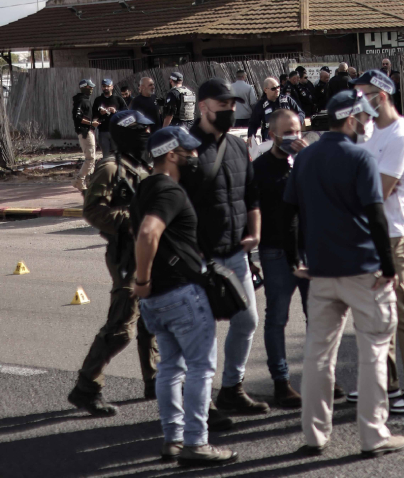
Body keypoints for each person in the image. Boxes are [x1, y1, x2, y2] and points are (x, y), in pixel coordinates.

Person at [285, 90, 404, 458]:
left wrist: (296, 259)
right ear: (351, 119)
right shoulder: (360, 157)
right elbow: (375, 215)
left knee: (318, 355)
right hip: (364, 269)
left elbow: (288, 212)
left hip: (321, 270)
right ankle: (373, 435)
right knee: (373, 350)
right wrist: (389, 267)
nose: (368, 123)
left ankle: (314, 435)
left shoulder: (305, 156)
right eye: (365, 118)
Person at [133, 126, 237, 466]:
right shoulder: (168, 190)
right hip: (179, 293)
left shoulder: (143, 188)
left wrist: (146, 285)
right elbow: (149, 233)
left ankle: (173, 439)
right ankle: (196, 443)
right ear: (172, 154)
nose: (195, 157)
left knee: (169, 369)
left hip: (157, 300)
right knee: (200, 369)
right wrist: (143, 279)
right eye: (189, 152)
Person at [180, 79, 269, 423]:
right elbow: (171, 203)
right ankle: (200, 403)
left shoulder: (236, 145)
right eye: (223, 106)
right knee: (202, 334)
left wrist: (255, 232)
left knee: (246, 320)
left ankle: (232, 389)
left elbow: (251, 194)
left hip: (236, 254)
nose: (231, 111)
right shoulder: (184, 148)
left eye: (233, 105)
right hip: (199, 258)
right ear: (203, 107)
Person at [352, 70, 404, 414]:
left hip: (395, 234)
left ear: (381, 96)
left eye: (364, 94)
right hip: (370, 231)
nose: (359, 101)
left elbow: (379, 190)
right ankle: (383, 383)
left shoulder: (401, 135)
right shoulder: (369, 132)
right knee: (375, 311)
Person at [69, 109, 159, 417]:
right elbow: (93, 212)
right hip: (126, 255)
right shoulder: (110, 168)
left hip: (150, 252)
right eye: (142, 133)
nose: (148, 137)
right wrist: (135, 220)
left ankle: (155, 379)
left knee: (152, 320)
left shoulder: (145, 167)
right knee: (122, 325)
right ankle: (86, 387)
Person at [251, 109, 310, 409]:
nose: (293, 137)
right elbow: (251, 210)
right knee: (277, 318)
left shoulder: (306, 162)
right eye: (287, 132)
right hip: (275, 251)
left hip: (310, 250)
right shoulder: (260, 167)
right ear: (272, 135)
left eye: (297, 130)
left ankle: (319, 376)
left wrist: (308, 159)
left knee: (320, 317)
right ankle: (281, 383)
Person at [247, 77, 304, 143]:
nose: (277, 90)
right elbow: (253, 123)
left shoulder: (287, 99)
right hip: (270, 141)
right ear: (265, 90)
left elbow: (301, 112)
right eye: (273, 88)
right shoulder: (261, 105)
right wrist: (251, 136)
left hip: (288, 139)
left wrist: (297, 122)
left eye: (278, 87)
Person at [72, 79, 100, 194]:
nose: (92, 89)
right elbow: (77, 116)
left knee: (92, 157)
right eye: (90, 87)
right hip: (85, 131)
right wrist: (90, 124)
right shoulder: (81, 101)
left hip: (89, 131)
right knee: (90, 158)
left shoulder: (86, 101)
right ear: (84, 88)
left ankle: (88, 181)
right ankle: (80, 180)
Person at [92, 78, 127, 158]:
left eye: (108, 86)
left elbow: (126, 114)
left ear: (112, 87)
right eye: (104, 86)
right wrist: (100, 113)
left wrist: (116, 111)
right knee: (106, 156)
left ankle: (118, 170)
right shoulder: (98, 100)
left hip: (116, 131)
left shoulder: (118, 99)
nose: (106, 88)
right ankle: (108, 170)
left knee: (118, 156)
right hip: (103, 132)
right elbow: (93, 115)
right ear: (101, 87)